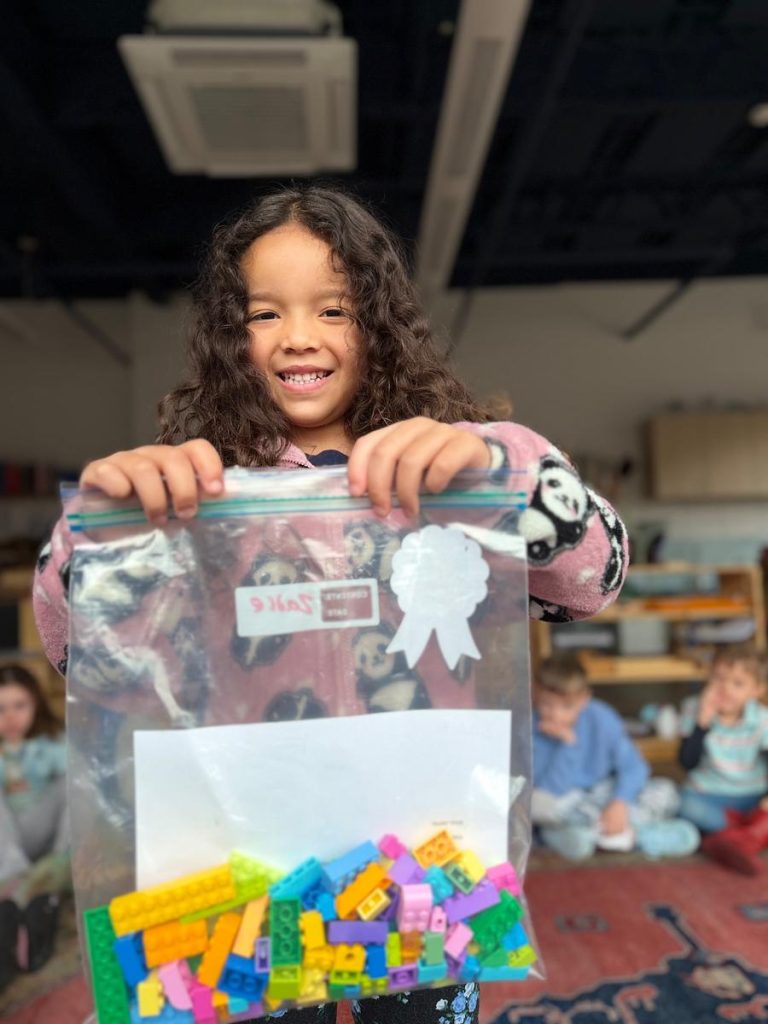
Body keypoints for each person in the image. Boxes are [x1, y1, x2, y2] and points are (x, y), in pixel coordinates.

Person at [33, 186, 630, 1024]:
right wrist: (94, 535)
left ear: (378, 324)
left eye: (334, 309)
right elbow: (78, 656)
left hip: (429, 854)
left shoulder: (451, 472)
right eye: (264, 313)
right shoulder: (193, 492)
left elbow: (593, 581)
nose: (299, 336)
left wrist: (503, 467)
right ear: (229, 335)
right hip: (249, 862)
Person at [531, 654, 698, 861]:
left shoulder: (602, 717)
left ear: (584, 699)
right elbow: (550, 789)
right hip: (567, 799)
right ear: (535, 694)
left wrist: (620, 802)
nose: (555, 715)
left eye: (566, 706)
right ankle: (633, 837)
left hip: (603, 794)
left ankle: (598, 836)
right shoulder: (531, 728)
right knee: (537, 805)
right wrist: (569, 746)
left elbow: (634, 767)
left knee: (667, 791)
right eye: (547, 704)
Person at [0, 664, 69, 993]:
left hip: (47, 838)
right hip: (8, 844)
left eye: (19, 706)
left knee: (73, 783)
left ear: (35, 705)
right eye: (1, 709)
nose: (10, 718)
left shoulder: (51, 743)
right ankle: (16, 883)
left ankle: (56, 870)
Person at [679, 644, 768, 873]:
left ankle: (729, 839)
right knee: (684, 805)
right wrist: (702, 722)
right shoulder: (693, 708)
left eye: (738, 683)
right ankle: (748, 835)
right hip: (708, 795)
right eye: (719, 679)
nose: (725, 689)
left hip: (753, 796)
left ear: (757, 690)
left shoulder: (761, 718)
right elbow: (687, 762)